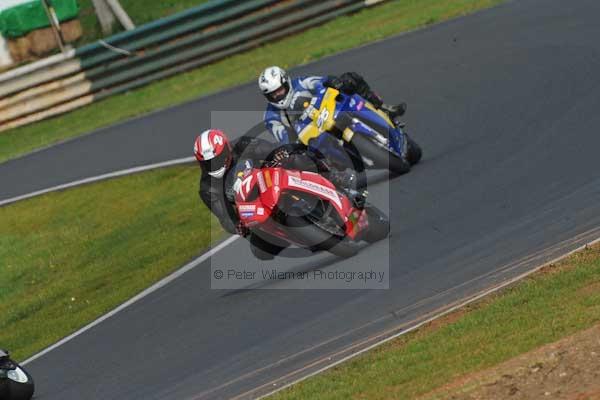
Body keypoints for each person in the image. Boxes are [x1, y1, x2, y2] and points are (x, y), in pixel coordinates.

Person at [194, 129, 364, 259]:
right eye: (207, 163)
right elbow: (224, 217)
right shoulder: (207, 188)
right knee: (260, 252)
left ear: (226, 149)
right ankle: (296, 235)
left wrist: (279, 155)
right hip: (251, 206)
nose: (213, 165)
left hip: (268, 178)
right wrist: (238, 226)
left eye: (216, 159)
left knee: (295, 158)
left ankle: (335, 177)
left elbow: (272, 149)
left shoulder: (243, 145)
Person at [258, 66, 407, 144]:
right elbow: (282, 137)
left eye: (280, 90)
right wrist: (291, 142)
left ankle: (383, 108)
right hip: (312, 138)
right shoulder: (271, 116)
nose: (278, 95)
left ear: (286, 82)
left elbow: (321, 81)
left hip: (329, 112)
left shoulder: (301, 83)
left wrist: (334, 82)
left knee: (350, 79)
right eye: (273, 94)